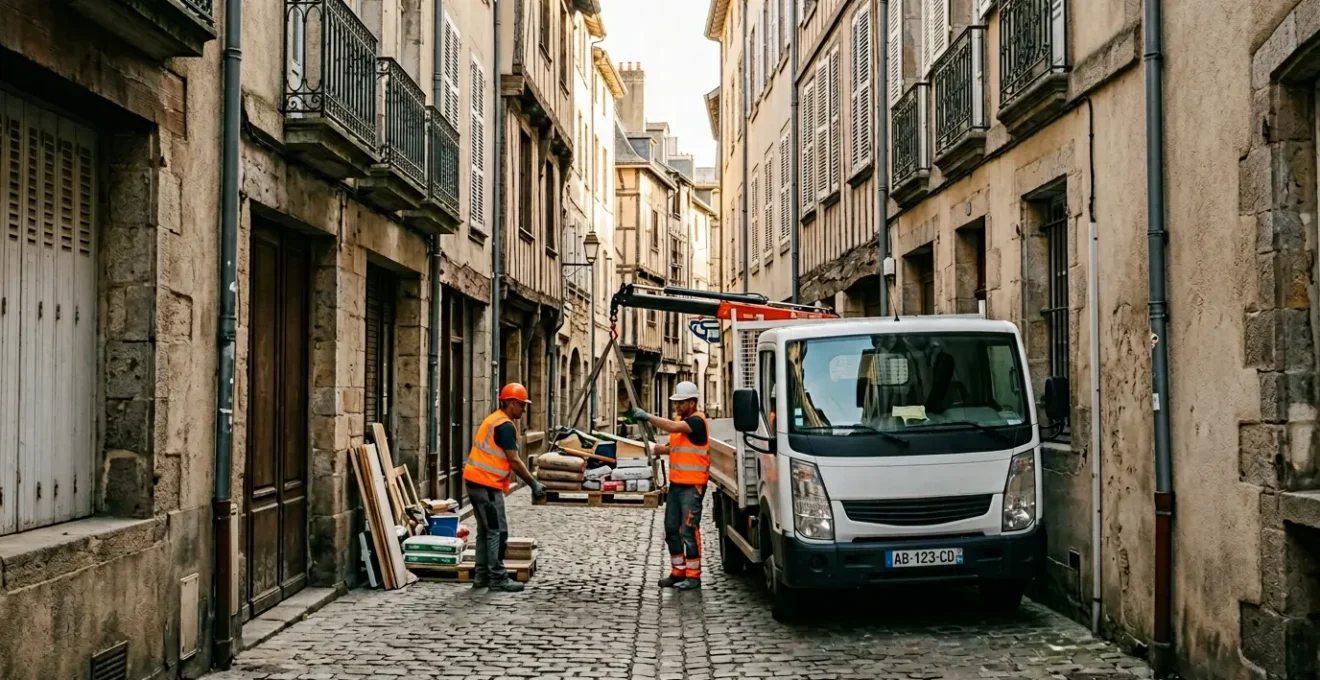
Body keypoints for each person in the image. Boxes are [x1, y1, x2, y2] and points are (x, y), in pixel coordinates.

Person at [623, 381, 709, 590]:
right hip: (677, 485)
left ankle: (693, 576)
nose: (676, 407)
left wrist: (647, 417)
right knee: (671, 529)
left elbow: (671, 427)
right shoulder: (682, 419)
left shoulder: (697, 422)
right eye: (676, 403)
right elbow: (675, 447)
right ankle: (678, 572)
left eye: (680, 403)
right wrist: (652, 449)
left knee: (689, 530)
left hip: (693, 486)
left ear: (692, 402)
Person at [463, 383, 547, 592]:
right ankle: (497, 578)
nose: (524, 410)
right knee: (497, 531)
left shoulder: (494, 420)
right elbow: (515, 461)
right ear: (511, 403)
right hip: (485, 484)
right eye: (521, 405)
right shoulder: (505, 425)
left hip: (477, 481)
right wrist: (533, 483)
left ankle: (481, 576)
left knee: (484, 531)